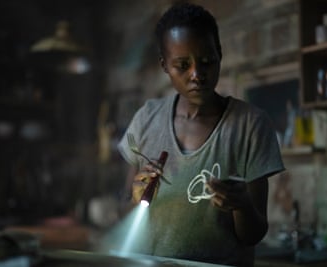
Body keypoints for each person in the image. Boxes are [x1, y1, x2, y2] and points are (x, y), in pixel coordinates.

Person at [117, 3, 285, 266]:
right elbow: (125, 211)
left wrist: (241, 206)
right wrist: (136, 198)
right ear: (164, 65)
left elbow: (254, 234)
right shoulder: (147, 119)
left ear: (220, 54)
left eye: (206, 61)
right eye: (182, 65)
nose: (197, 74)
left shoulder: (250, 125)